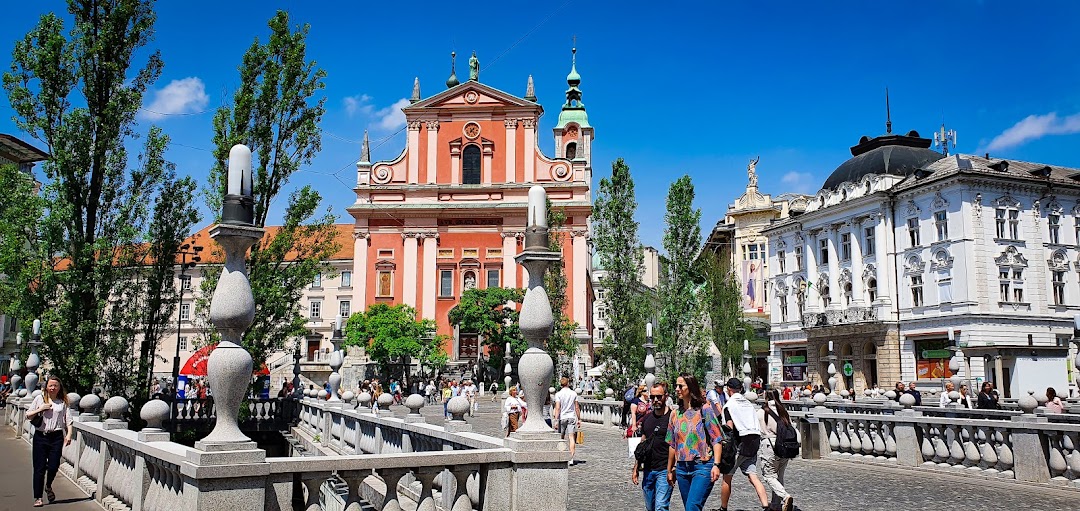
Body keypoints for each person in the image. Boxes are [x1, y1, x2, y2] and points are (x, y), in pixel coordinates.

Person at [665, 373, 724, 511]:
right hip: (681, 468)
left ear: (690, 387)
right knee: (690, 508)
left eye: (681, 386)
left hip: (702, 465)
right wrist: (670, 469)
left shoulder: (704, 410)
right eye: (676, 386)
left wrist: (716, 464)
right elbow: (672, 444)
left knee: (692, 507)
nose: (677, 389)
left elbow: (717, 438)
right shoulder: (675, 414)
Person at [719, 378, 770, 511]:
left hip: (740, 443)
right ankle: (766, 506)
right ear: (740, 389)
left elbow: (729, 426)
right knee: (753, 475)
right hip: (754, 442)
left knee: (727, 477)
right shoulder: (748, 403)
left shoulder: (729, 405)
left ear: (728, 389)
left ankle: (723, 508)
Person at [28, 377, 73, 507]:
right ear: (46, 387)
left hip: (57, 437)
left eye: (55, 385)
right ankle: (38, 497)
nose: (53, 388)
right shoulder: (39, 399)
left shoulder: (62, 402)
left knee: (53, 465)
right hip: (41, 437)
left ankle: (48, 486)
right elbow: (28, 415)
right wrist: (40, 409)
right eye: (50, 385)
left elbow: (68, 420)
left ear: (59, 388)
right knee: (39, 468)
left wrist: (68, 435)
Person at [632, 383, 672, 511]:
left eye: (659, 397)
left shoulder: (673, 418)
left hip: (664, 469)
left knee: (661, 506)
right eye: (653, 397)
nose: (655, 400)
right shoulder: (647, 418)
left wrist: (673, 468)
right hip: (648, 469)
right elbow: (642, 445)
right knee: (650, 507)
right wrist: (636, 467)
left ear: (666, 396)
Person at [757, 389, 794, 511]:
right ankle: (776, 505)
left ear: (766, 397)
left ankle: (785, 497)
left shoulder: (762, 412)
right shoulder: (783, 411)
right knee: (779, 477)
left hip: (769, 446)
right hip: (785, 447)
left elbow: (757, 428)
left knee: (769, 476)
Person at [554, 377, 581, 465]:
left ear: (561, 384)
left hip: (563, 417)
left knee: (561, 437)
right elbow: (577, 407)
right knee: (571, 438)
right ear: (568, 383)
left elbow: (558, 408)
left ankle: (561, 456)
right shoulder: (573, 393)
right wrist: (579, 419)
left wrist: (556, 419)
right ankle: (571, 458)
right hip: (572, 417)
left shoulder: (558, 394)